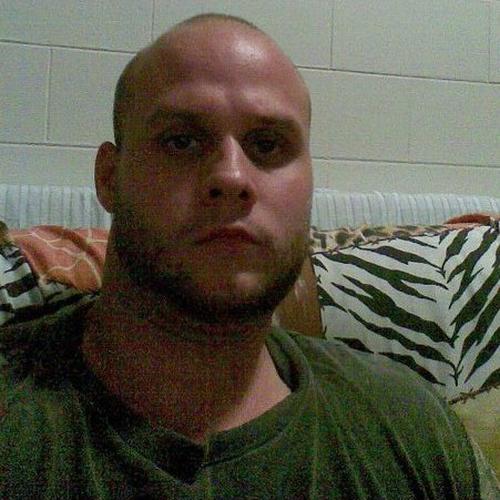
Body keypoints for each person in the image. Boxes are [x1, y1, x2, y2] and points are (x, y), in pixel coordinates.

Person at [0, 14, 489, 498]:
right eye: (181, 141)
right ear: (109, 178)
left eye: (268, 144)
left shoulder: (410, 428)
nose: (232, 177)